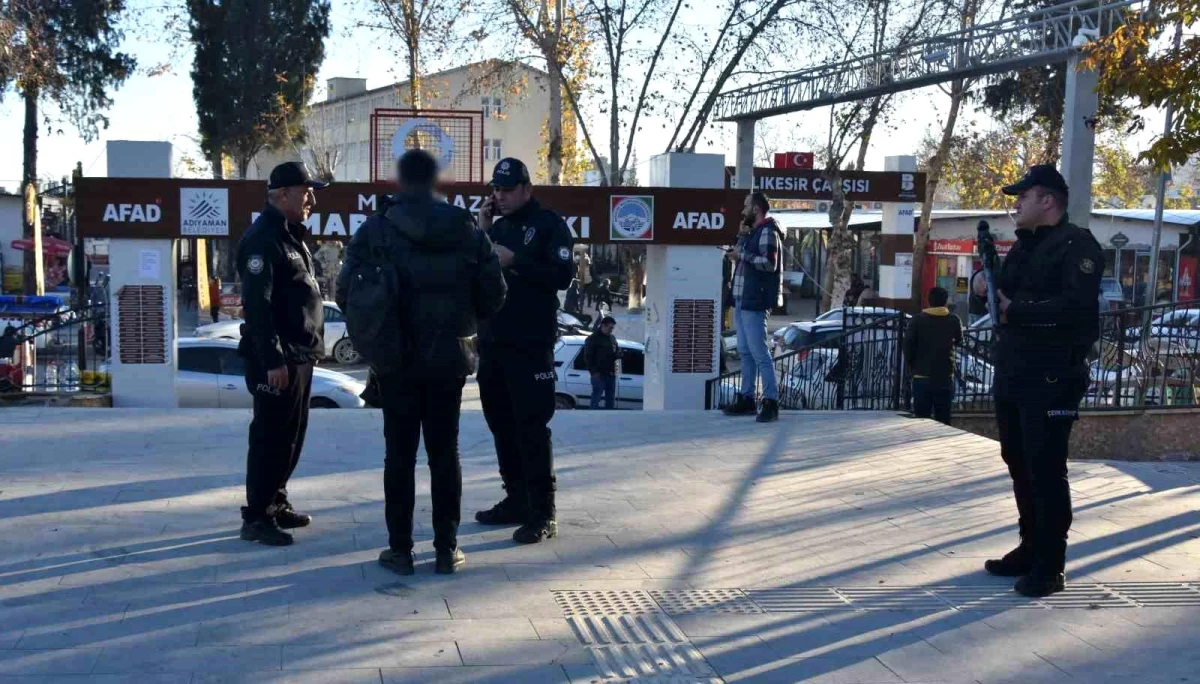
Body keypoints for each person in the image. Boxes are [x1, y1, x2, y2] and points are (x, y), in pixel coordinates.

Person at [338, 149, 506, 575]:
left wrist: (376, 338)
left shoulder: (376, 229)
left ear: (400, 180)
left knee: (399, 456)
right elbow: (494, 293)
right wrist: (464, 320)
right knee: (444, 453)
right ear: (436, 181)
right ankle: (447, 548)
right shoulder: (465, 228)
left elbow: (346, 294)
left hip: (395, 359)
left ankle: (400, 550)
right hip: (448, 358)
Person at [980, 164, 1102, 598]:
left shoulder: (1077, 246)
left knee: (1047, 467)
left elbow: (1076, 308)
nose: (1016, 203)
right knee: (1018, 460)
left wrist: (1019, 307)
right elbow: (1006, 296)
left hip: (1053, 374)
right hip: (1015, 368)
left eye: (1023, 196)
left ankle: (1051, 565)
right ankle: (1030, 547)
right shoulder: (1025, 246)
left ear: (1047, 200)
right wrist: (987, 283)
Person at [474, 157, 574, 544]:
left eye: (507, 188)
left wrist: (517, 261)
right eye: (496, 189)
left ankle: (542, 511)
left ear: (526, 188)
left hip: (531, 343)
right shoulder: (494, 226)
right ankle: (515, 498)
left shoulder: (548, 224)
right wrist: (481, 232)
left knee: (531, 427)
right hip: (495, 341)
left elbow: (562, 275)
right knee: (500, 424)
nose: (500, 195)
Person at [236, 161, 326, 547]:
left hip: (298, 357)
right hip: (277, 361)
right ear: (282, 194)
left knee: (291, 436)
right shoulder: (263, 239)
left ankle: (276, 501)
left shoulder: (290, 235)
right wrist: (273, 360)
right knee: (271, 438)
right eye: (305, 191)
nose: (311, 198)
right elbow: (258, 307)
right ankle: (257, 517)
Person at [723, 191, 783, 423]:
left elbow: (769, 263)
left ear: (756, 209)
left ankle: (771, 401)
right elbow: (742, 254)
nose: (743, 210)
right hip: (742, 299)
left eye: (746, 206)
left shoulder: (767, 231)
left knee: (759, 353)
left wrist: (742, 254)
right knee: (745, 352)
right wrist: (741, 237)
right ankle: (746, 397)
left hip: (755, 301)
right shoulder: (753, 232)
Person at [903, 286, 962, 426]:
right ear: (945, 302)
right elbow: (959, 340)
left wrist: (912, 366)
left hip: (921, 376)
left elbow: (908, 345)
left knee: (921, 419)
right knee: (944, 419)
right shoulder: (954, 320)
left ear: (928, 301)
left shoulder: (917, 320)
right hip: (944, 376)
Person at [585, 315, 620, 410]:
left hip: (611, 374)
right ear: (603, 326)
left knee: (610, 399)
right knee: (596, 399)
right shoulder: (593, 338)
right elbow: (588, 357)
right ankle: (592, 416)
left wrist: (619, 354)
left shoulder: (612, 338)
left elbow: (616, 353)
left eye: (612, 328)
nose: (611, 330)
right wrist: (593, 372)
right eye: (610, 327)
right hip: (599, 375)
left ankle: (608, 417)